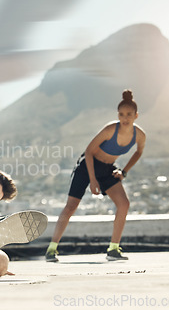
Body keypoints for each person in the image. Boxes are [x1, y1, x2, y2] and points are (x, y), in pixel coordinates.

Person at [45, 90, 146, 262]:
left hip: (107, 170)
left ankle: (113, 249)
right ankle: (51, 249)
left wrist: (124, 171)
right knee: (71, 206)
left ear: (136, 115)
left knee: (124, 204)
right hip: (87, 166)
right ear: (118, 115)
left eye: (129, 114)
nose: (125, 118)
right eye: (121, 114)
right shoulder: (110, 130)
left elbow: (138, 152)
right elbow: (89, 152)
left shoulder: (139, 135)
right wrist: (92, 179)